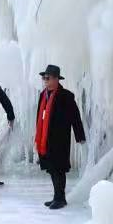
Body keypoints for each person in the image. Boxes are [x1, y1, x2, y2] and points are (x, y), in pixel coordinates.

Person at [35, 65, 85, 210]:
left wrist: (79, 135)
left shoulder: (66, 96)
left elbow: (75, 116)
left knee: (59, 169)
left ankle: (60, 198)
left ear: (56, 79)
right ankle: (56, 197)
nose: (45, 80)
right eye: (44, 78)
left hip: (59, 139)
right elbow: (40, 117)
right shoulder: (43, 95)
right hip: (45, 139)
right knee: (51, 169)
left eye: (48, 78)